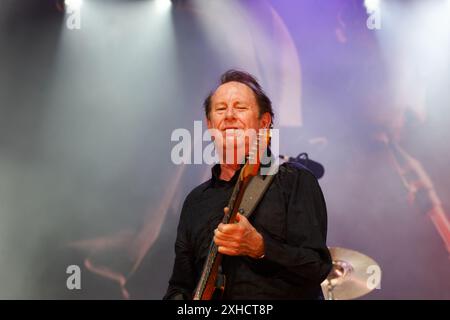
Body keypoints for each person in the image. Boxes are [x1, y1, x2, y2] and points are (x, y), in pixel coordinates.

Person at [163, 70, 332, 299]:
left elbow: (317, 266)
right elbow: (180, 286)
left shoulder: (294, 180)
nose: (230, 115)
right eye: (221, 109)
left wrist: (262, 248)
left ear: (264, 122)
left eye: (240, 108)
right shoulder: (196, 201)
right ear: (210, 124)